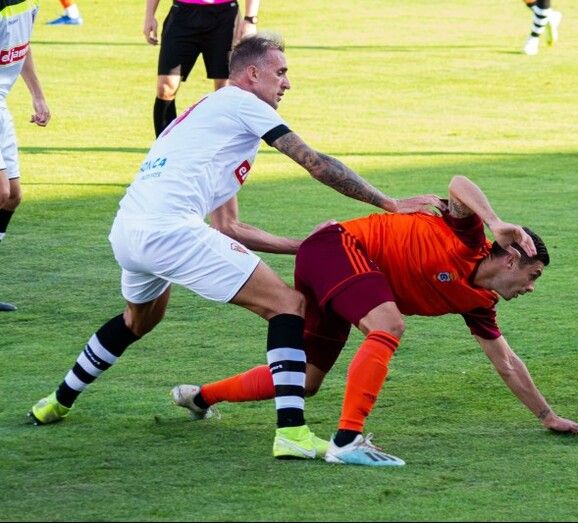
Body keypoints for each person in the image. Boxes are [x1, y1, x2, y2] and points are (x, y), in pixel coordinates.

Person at [28, 35, 443, 464]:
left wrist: (311, 247)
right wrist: (389, 203)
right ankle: (292, 433)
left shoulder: (214, 120)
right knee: (288, 304)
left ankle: (56, 401)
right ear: (252, 74)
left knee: (138, 320)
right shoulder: (244, 104)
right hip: (169, 229)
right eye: (280, 73)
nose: (287, 84)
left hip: (130, 231)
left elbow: (230, 227)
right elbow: (315, 162)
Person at [171, 175, 578, 467]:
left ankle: (201, 397)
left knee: (307, 380)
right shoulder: (470, 236)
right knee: (388, 325)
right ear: (512, 258)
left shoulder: (479, 302)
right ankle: (348, 440)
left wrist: (547, 416)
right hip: (337, 247)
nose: (531, 288)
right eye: (532, 276)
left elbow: (507, 362)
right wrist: (497, 221)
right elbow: (458, 183)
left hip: (340, 271)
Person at [144, 0, 261, 137]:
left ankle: (222, 149)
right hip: (182, 15)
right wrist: (149, 16)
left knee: (226, 90)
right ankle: (164, 149)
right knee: (165, 87)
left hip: (225, 18)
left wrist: (250, 19)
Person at [1, 0, 51, 312]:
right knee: (1, 191)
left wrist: (38, 96)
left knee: (13, 196)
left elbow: (24, 47)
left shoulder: (30, 4)